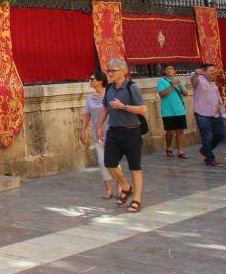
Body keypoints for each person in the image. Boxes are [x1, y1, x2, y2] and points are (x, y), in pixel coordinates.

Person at [97, 58, 146, 213]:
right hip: (114, 131)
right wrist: (99, 126)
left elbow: (142, 110)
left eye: (113, 70)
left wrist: (123, 106)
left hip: (131, 130)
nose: (110, 73)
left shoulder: (132, 87)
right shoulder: (110, 88)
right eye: (109, 70)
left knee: (135, 167)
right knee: (109, 163)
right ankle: (125, 187)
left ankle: (137, 199)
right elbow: (105, 108)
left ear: (123, 71)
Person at [81, 70, 116, 199]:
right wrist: (83, 131)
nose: (90, 81)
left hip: (111, 131)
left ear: (100, 81)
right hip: (97, 133)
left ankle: (121, 185)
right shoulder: (90, 97)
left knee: (113, 161)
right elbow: (86, 115)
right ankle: (109, 189)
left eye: (92, 79)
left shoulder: (109, 94)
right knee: (102, 161)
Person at [191, 64, 226, 167]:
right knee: (207, 136)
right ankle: (210, 159)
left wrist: (224, 114)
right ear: (204, 71)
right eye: (211, 71)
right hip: (202, 114)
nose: (214, 73)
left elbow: (219, 101)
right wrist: (195, 73)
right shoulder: (198, 81)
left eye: (214, 71)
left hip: (215, 114)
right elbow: (192, 78)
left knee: (221, 134)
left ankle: (205, 150)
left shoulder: (214, 85)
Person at [157, 65, 190, 158]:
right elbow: (162, 94)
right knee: (170, 131)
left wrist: (180, 86)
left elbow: (186, 93)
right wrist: (172, 86)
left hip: (180, 110)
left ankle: (181, 151)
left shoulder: (180, 81)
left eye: (171, 69)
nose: (169, 71)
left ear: (175, 71)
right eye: (167, 69)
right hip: (168, 111)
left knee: (180, 131)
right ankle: (169, 147)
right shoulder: (162, 82)